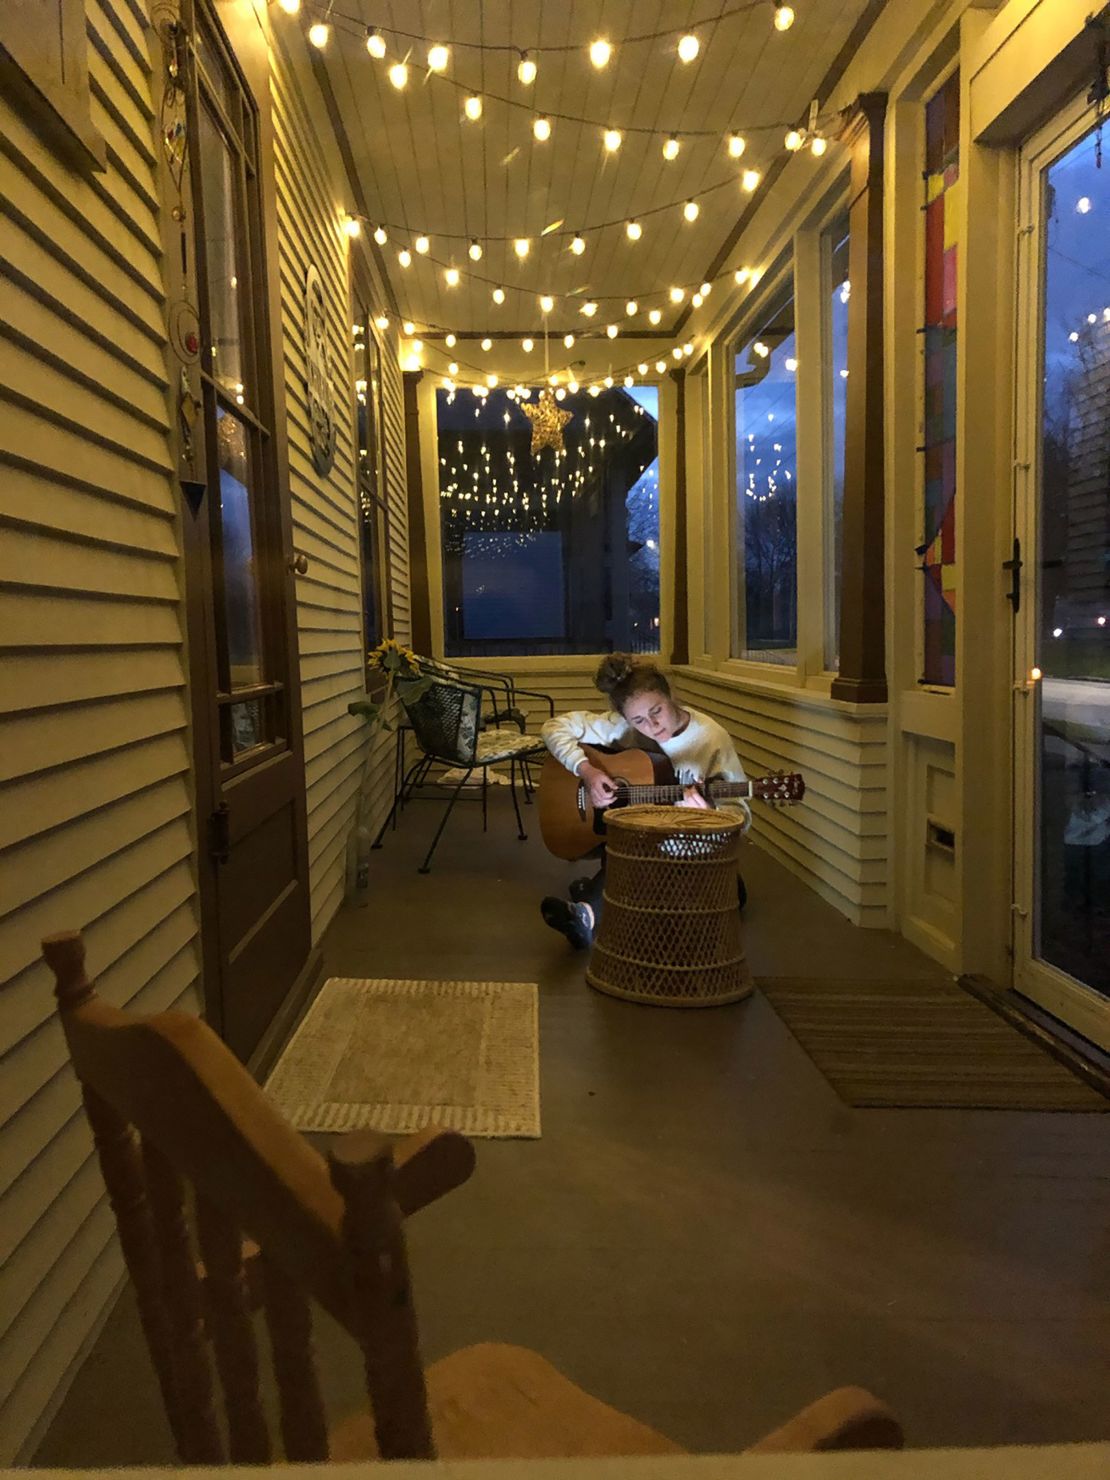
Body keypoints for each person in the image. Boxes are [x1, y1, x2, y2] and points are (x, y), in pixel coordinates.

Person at [540, 655, 751, 949]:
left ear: (670, 695)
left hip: (694, 849)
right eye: (638, 720)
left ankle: (588, 908)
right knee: (639, 844)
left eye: (657, 711)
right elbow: (553, 728)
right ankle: (589, 910)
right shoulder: (623, 727)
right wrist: (587, 771)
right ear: (626, 719)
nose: (651, 725)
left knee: (644, 852)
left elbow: (740, 815)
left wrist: (710, 814)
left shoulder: (712, 738)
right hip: (640, 842)